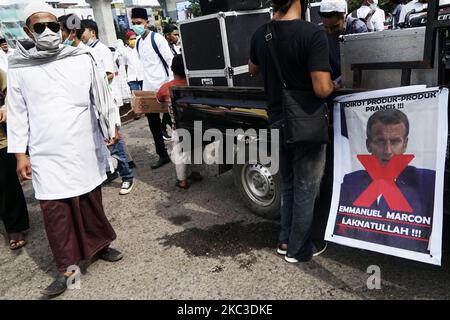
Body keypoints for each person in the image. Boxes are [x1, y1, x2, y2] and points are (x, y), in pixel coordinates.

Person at [7, 2, 123, 296]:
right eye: (39, 27)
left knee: (90, 202)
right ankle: (68, 270)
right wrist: (20, 154)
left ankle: (99, 247)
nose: (48, 32)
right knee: (55, 213)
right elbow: (18, 113)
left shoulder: (81, 57)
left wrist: (111, 126)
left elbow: (101, 95)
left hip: (83, 144)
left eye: (53, 26)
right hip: (46, 152)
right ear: (27, 31)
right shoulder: (19, 67)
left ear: (61, 27)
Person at [249, 0, 334, 263]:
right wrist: (334, 85)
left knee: (287, 184)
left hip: (275, 119)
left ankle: (285, 240)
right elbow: (321, 89)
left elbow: (253, 70)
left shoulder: (260, 34)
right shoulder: (313, 33)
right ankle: (298, 249)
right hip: (305, 121)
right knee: (306, 187)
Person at [336, 109, 435, 253]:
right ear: (368, 144)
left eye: (395, 142)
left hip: (405, 268)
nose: (388, 151)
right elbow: (341, 230)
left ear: (405, 144)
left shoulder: (427, 182)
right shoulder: (351, 181)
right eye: (380, 141)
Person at [80, 19, 135, 195]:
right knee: (107, 139)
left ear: (92, 32)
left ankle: (127, 176)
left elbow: (110, 74)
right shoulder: (85, 51)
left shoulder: (101, 50)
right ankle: (116, 167)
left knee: (112, 138)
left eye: (83, 31)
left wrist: (91, 83)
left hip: (106, 100)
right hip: (95, 103)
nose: (81, 35)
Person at [131, 7, 174, 169]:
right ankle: (162, 154)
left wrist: (169, 86)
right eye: (134, 23)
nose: (136, 26)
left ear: (146, 23)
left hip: (163, 88)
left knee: (176, 124)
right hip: (149, 91)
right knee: (154, 125)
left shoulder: (157, 39)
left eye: (139, 23)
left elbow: (170, 62)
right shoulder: (138, 44)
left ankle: (185, 158)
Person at [157, 54, 203, 189]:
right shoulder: (193, 84)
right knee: (196, 149)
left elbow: (158, 99)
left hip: (178, 127)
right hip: (196, 125)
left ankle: (182, 180)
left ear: (172, 69)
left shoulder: (166, 87)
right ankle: (196, 172)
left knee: (179, 152)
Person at [0, 69, 30, 251]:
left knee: (7, 185)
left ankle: (15, 227)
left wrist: (3, 109)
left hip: (2, 141)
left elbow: (11, 94)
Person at [319, 0, 368, 83]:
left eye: (334, 27)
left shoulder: (357, 28)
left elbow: (363, 62)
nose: (330, 31)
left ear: (344, 16)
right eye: (326, 27)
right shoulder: (319, 31)